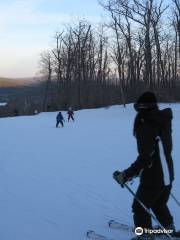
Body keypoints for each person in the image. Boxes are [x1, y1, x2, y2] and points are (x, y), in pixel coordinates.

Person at [113, 92, 175, 240]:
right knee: (158, 203)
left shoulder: (146, 125)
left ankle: (146, 236)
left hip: (154, 177)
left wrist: (125, 175)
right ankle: (167, 228)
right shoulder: (162, 120)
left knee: (139, 207)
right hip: (168, 175)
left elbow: (145, 158)